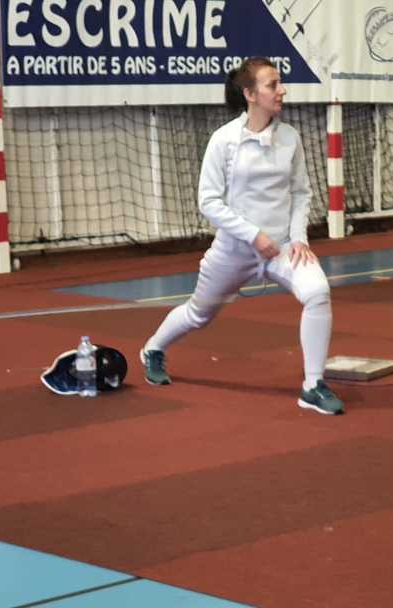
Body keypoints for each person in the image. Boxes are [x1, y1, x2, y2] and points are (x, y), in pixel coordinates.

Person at [140, 57, 343, 415]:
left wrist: (299, 238)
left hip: (283, 248)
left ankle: (313, 386)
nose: (281, 90)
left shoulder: (290, 138)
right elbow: (208, 201)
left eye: (280, 83)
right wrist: (253, 235)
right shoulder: (224, 140)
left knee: (317, 292)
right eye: (272, 85)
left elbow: (301, 193)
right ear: (250, 94)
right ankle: (153, 349)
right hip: (234, 251)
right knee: (199, 314)